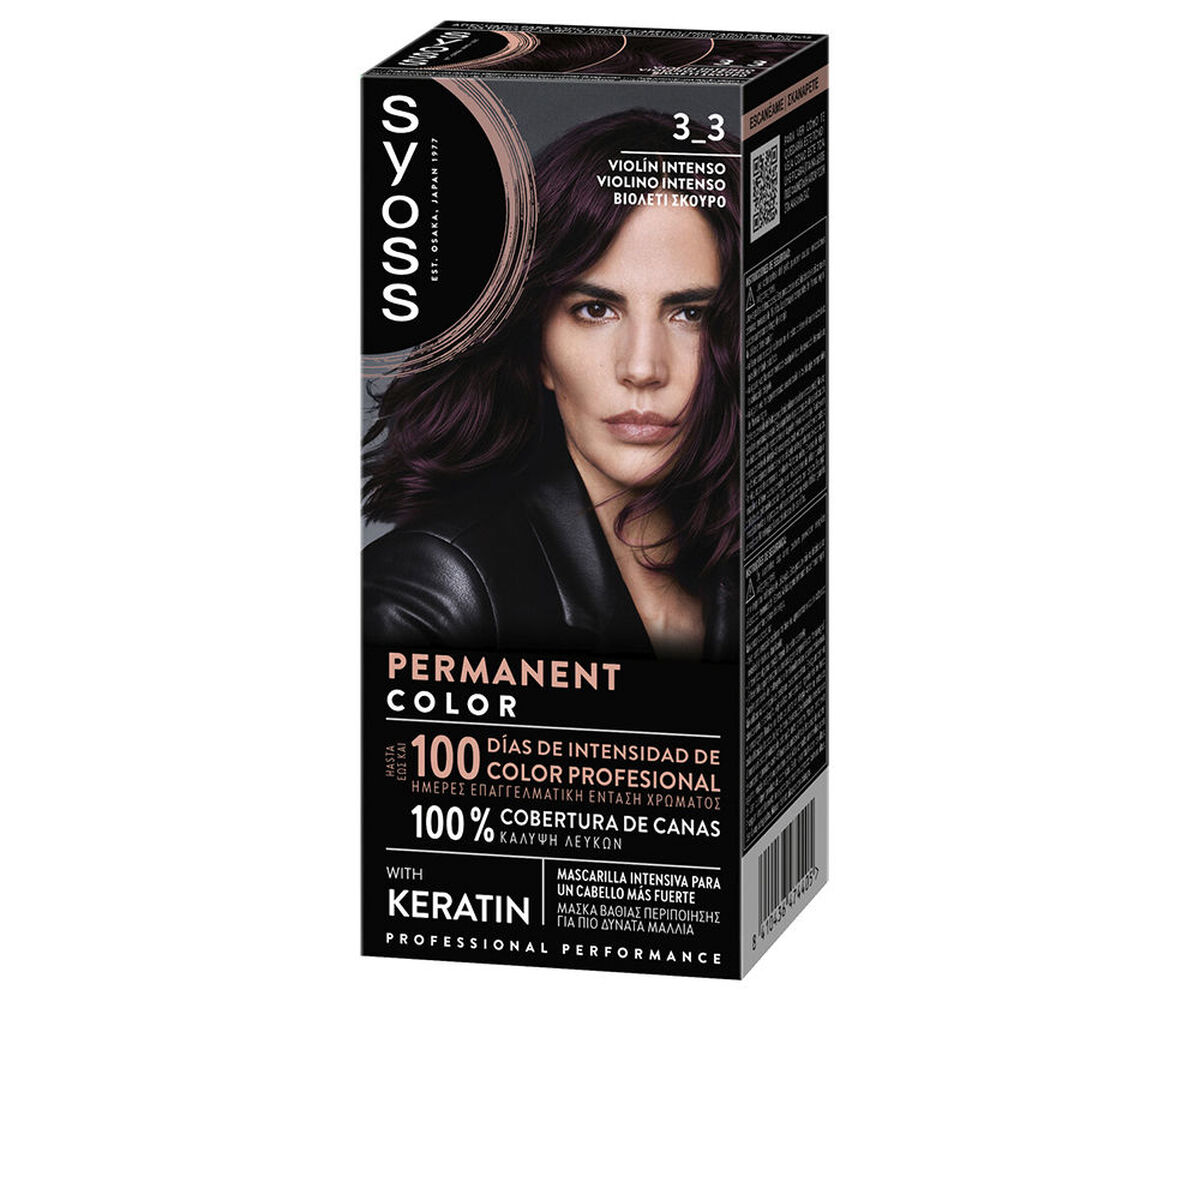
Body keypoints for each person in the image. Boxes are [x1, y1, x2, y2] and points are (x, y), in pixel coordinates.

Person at [362, 109, 741, 660]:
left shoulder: (768, 572)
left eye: (690, 315)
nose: (642, 368)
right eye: (595, 310)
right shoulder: (435, 591)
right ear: (536, 346)